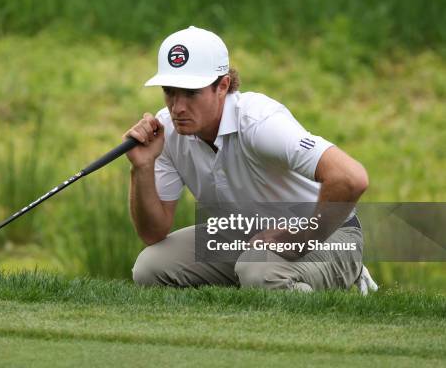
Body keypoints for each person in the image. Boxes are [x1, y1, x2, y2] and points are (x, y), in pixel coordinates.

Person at [124, 26, 378, 293]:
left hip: (329, 235)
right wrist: (141, 167)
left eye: (191, 93)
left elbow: (351, 177)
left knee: (257, 273)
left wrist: (300, 237)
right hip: (244, 235)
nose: (177, 108)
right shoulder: (166, 132)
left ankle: (331, 284)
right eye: (170, 91)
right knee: (149, 268)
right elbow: (153, 233)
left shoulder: (260, 122)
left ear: (222, 86)